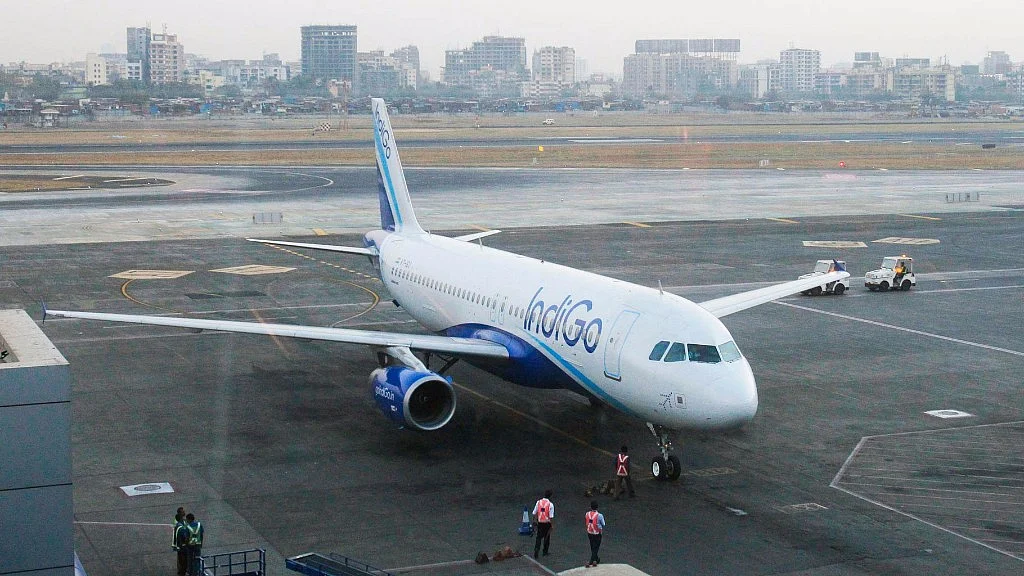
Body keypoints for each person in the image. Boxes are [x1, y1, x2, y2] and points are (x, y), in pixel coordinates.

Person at [532, 489, 554, 558]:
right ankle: (545, 551)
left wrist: (534, 521)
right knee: (547, 537)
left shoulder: (538, 502)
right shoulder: (550, 504)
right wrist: (552, 525)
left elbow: (534, 513)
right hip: (547, 523)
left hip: (540, 522)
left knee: (538, 537)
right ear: (550, 496)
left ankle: (536, 549)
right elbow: (551, 516)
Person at [585, 501, 606, 567]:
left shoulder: (587, 514)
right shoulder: (599, 515)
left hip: (589, 532)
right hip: (597, 533)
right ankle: (591, 561)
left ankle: (596, 559)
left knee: (592, 546)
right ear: (597, 507)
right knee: (596, 547)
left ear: (590, 507)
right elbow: (603, 524)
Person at [173, 508, 189, 576]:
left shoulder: (183, 521)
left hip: (181, 545)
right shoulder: (179, 524)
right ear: (180, 514)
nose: (184, 512)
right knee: (183, 561)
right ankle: (181, 571)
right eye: (183, 512)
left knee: (182, 560)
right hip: (182, 545)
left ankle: (181, 571)